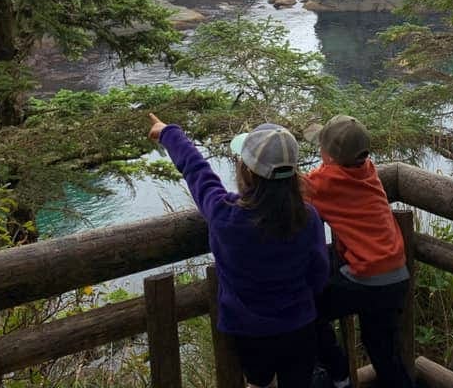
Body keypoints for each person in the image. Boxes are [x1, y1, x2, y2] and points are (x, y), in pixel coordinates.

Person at [148, 114, 329, 388]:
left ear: (246, 171)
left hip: (249, 331)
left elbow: (198, 172)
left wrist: (169, 134)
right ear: (293, 173)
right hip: (299, 325)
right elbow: (319, 273)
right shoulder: (307, 218)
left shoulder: (225, 215)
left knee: (258, 382)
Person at [304, 115, 413, 388]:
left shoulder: (322, 181)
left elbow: (292, 191)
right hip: (396, 274)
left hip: (366, 277)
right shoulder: (369, 170)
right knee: (383, 351)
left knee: (307, 311)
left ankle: (337, 375)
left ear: (327, 155)